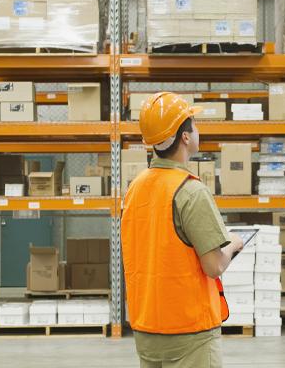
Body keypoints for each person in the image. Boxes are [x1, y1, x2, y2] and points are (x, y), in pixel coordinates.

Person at [121, 92, 245, 368]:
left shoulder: (135, 188)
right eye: (194, 125)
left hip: (147, 329)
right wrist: (234, 244)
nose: (197, 130)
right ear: (185, 137)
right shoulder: (190, 191)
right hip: (190, 333)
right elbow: (213, 266)